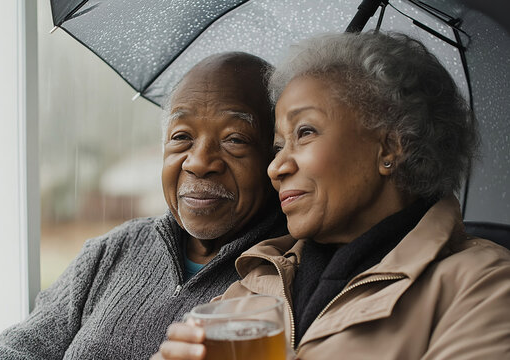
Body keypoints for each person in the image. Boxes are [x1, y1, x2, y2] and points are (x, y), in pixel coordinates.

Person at [154, 31, 510, 360]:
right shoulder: (254, 287)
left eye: (305, 132)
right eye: (278, 146)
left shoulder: (485, 288)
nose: (276, 167)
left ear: (391, 146)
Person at [0, 52, 287, 360]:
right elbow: (14, 350)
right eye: (181, 136)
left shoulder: (290, 273)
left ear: (276, 155)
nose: (199, 162)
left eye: (235, 139)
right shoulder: (113, 250)